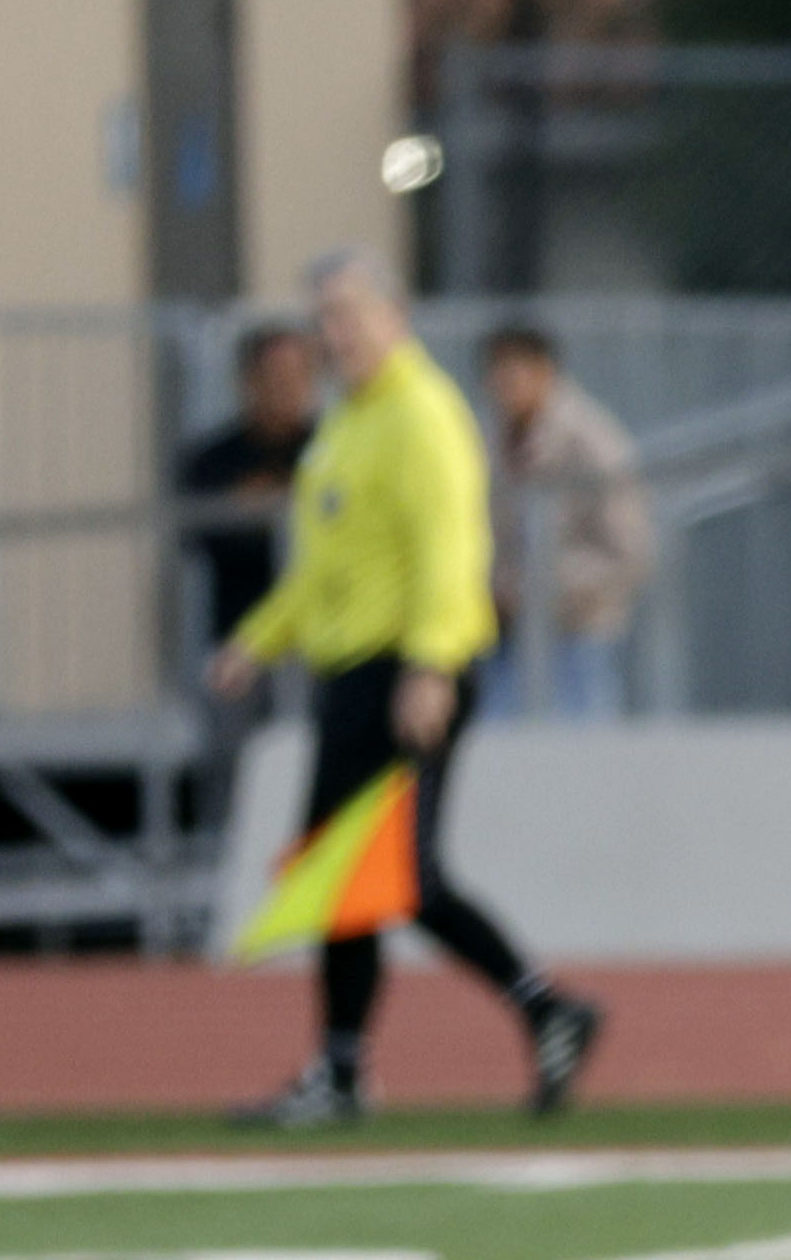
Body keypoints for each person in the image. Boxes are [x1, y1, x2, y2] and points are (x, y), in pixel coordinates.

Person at [207, 254, 606, 1128]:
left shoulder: (420, 415)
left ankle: (532, 1012)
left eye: (350, 313)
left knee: (392, 875)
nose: (335, 332)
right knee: (347, 875)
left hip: (405, 671)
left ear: (396, 314)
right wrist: (259, 640)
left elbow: (445, 550)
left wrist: (429, 666)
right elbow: (326, 565)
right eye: (326, 317)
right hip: (355, 675)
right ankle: (372, 1059)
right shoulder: (349, 422)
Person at [478, 325, 654, 721]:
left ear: (544, 372)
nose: (502, 386)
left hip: (578, 636)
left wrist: (539, 589)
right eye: (496, 373)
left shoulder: (593, 442)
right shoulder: (489, 438)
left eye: (513, 373)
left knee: (583, 759)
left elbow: (630, 553)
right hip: (507, 637)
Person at [176, 323, 320, 655]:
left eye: (300, 374)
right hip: (239, 640)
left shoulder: (333, 447)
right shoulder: (213, 459)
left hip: (319, 640)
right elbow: (196, 538)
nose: (289, 386)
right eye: (277, 375)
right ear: (250, 380)